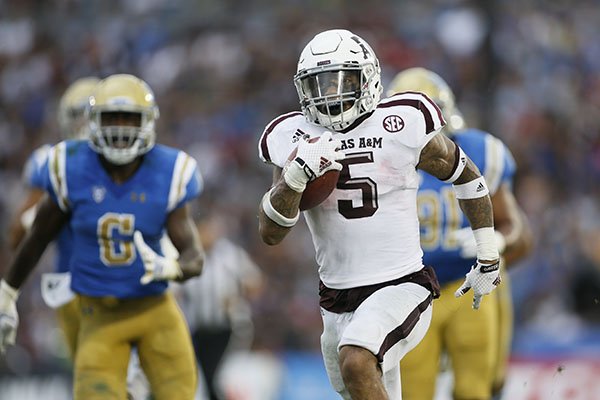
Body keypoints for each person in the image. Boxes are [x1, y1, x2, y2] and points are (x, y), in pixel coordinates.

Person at [257, 29, 502, 400]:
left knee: (356, 360)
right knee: (359, 382)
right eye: (319, 84)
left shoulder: (400, 122)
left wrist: (488, 254)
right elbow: (270, 232)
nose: (330, 94)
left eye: (342, 80)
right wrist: (294, 177)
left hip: (401, 284)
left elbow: (465, 174)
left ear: (368, 78)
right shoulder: (294, 136)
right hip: (336, 298)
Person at [0, 73, 204, 400]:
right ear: (92, 122)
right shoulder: (69, 166)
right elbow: (36, 237)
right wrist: (6, 294)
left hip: (156, 309)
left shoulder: (170, 171)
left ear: (147, 122)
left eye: (129, 118)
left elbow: (194, 254)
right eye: (112, 118)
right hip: (98, 312)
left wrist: (173, 268)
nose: (120, 128)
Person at [387, 67, 533, 400]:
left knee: (477, 389)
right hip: (413, 294)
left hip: (471, 286)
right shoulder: (381, 167)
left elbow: (522, 236)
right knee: (413, 393)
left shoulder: (479, 151)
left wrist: (497, 242)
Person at [7, 77, 99, 358]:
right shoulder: (53, 161)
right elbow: (16, 237)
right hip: (73, 285)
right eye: (78, 116)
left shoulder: (135, 165)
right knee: (93, 371)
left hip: (125, 283)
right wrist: (42, 212)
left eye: (91, 117)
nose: (84, 126)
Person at [178, 214, 264, 400]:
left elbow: (255, 283)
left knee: (218, 374)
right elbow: (176, 289)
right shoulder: (189, 256)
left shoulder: (230, 255)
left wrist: (237, 295)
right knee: (202, 376)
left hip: (229, 327)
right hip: (198, 328)